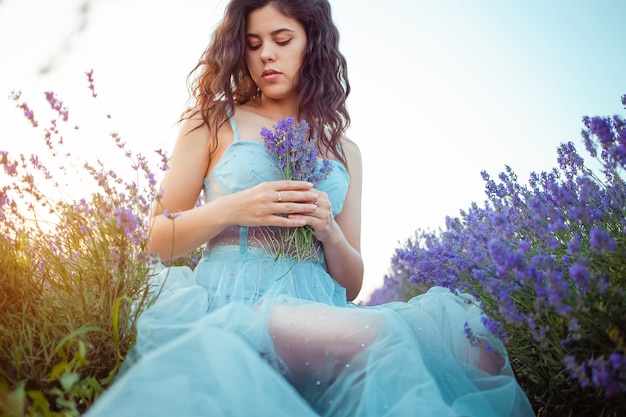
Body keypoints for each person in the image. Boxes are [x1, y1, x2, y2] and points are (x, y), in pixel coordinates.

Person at [85, 1, 535, 416]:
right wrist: (233, 208)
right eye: (254, 44)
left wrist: (329, 232)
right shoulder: (212, 121)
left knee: (477, 343)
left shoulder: (346, 150)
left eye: (282, 40)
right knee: (381, 337)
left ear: (312, 44)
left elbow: (353, 282)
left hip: (323, 303)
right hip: (240, 304)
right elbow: (156, 238)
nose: (266, 56)